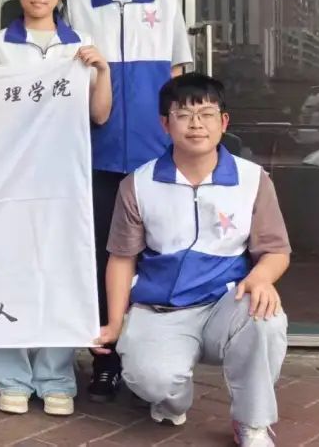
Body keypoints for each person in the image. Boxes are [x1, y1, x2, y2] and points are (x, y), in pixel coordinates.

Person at [92, 74, 289, 447]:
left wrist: (261, 278)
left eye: (206, 114)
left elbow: (276, 250)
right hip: (161, 309)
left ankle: (252, 422)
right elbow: (121, 259)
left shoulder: (252, 179)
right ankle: (171, 399)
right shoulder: (138, 184)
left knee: (266, 318)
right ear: (165, 124)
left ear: (223, 122)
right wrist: (115, 323)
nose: (196, 124)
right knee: (149, 379)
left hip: (226, 303)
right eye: (183, 115)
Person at [0, 0, 112, 417]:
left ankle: (55, 376)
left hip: (62, 179)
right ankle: (11, 377)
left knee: (60, 273)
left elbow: (100, 114)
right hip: (8, 178)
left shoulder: (79, 45)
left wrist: (102, 70)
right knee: (7, 272)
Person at [66, 0, 193, 401]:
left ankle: (153, 356)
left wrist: (178, 142)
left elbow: (176, 73)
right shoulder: (78, 1)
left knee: (155, 254)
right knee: (103, 256)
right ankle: (105, 360)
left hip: (153, 154)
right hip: (96, 154)